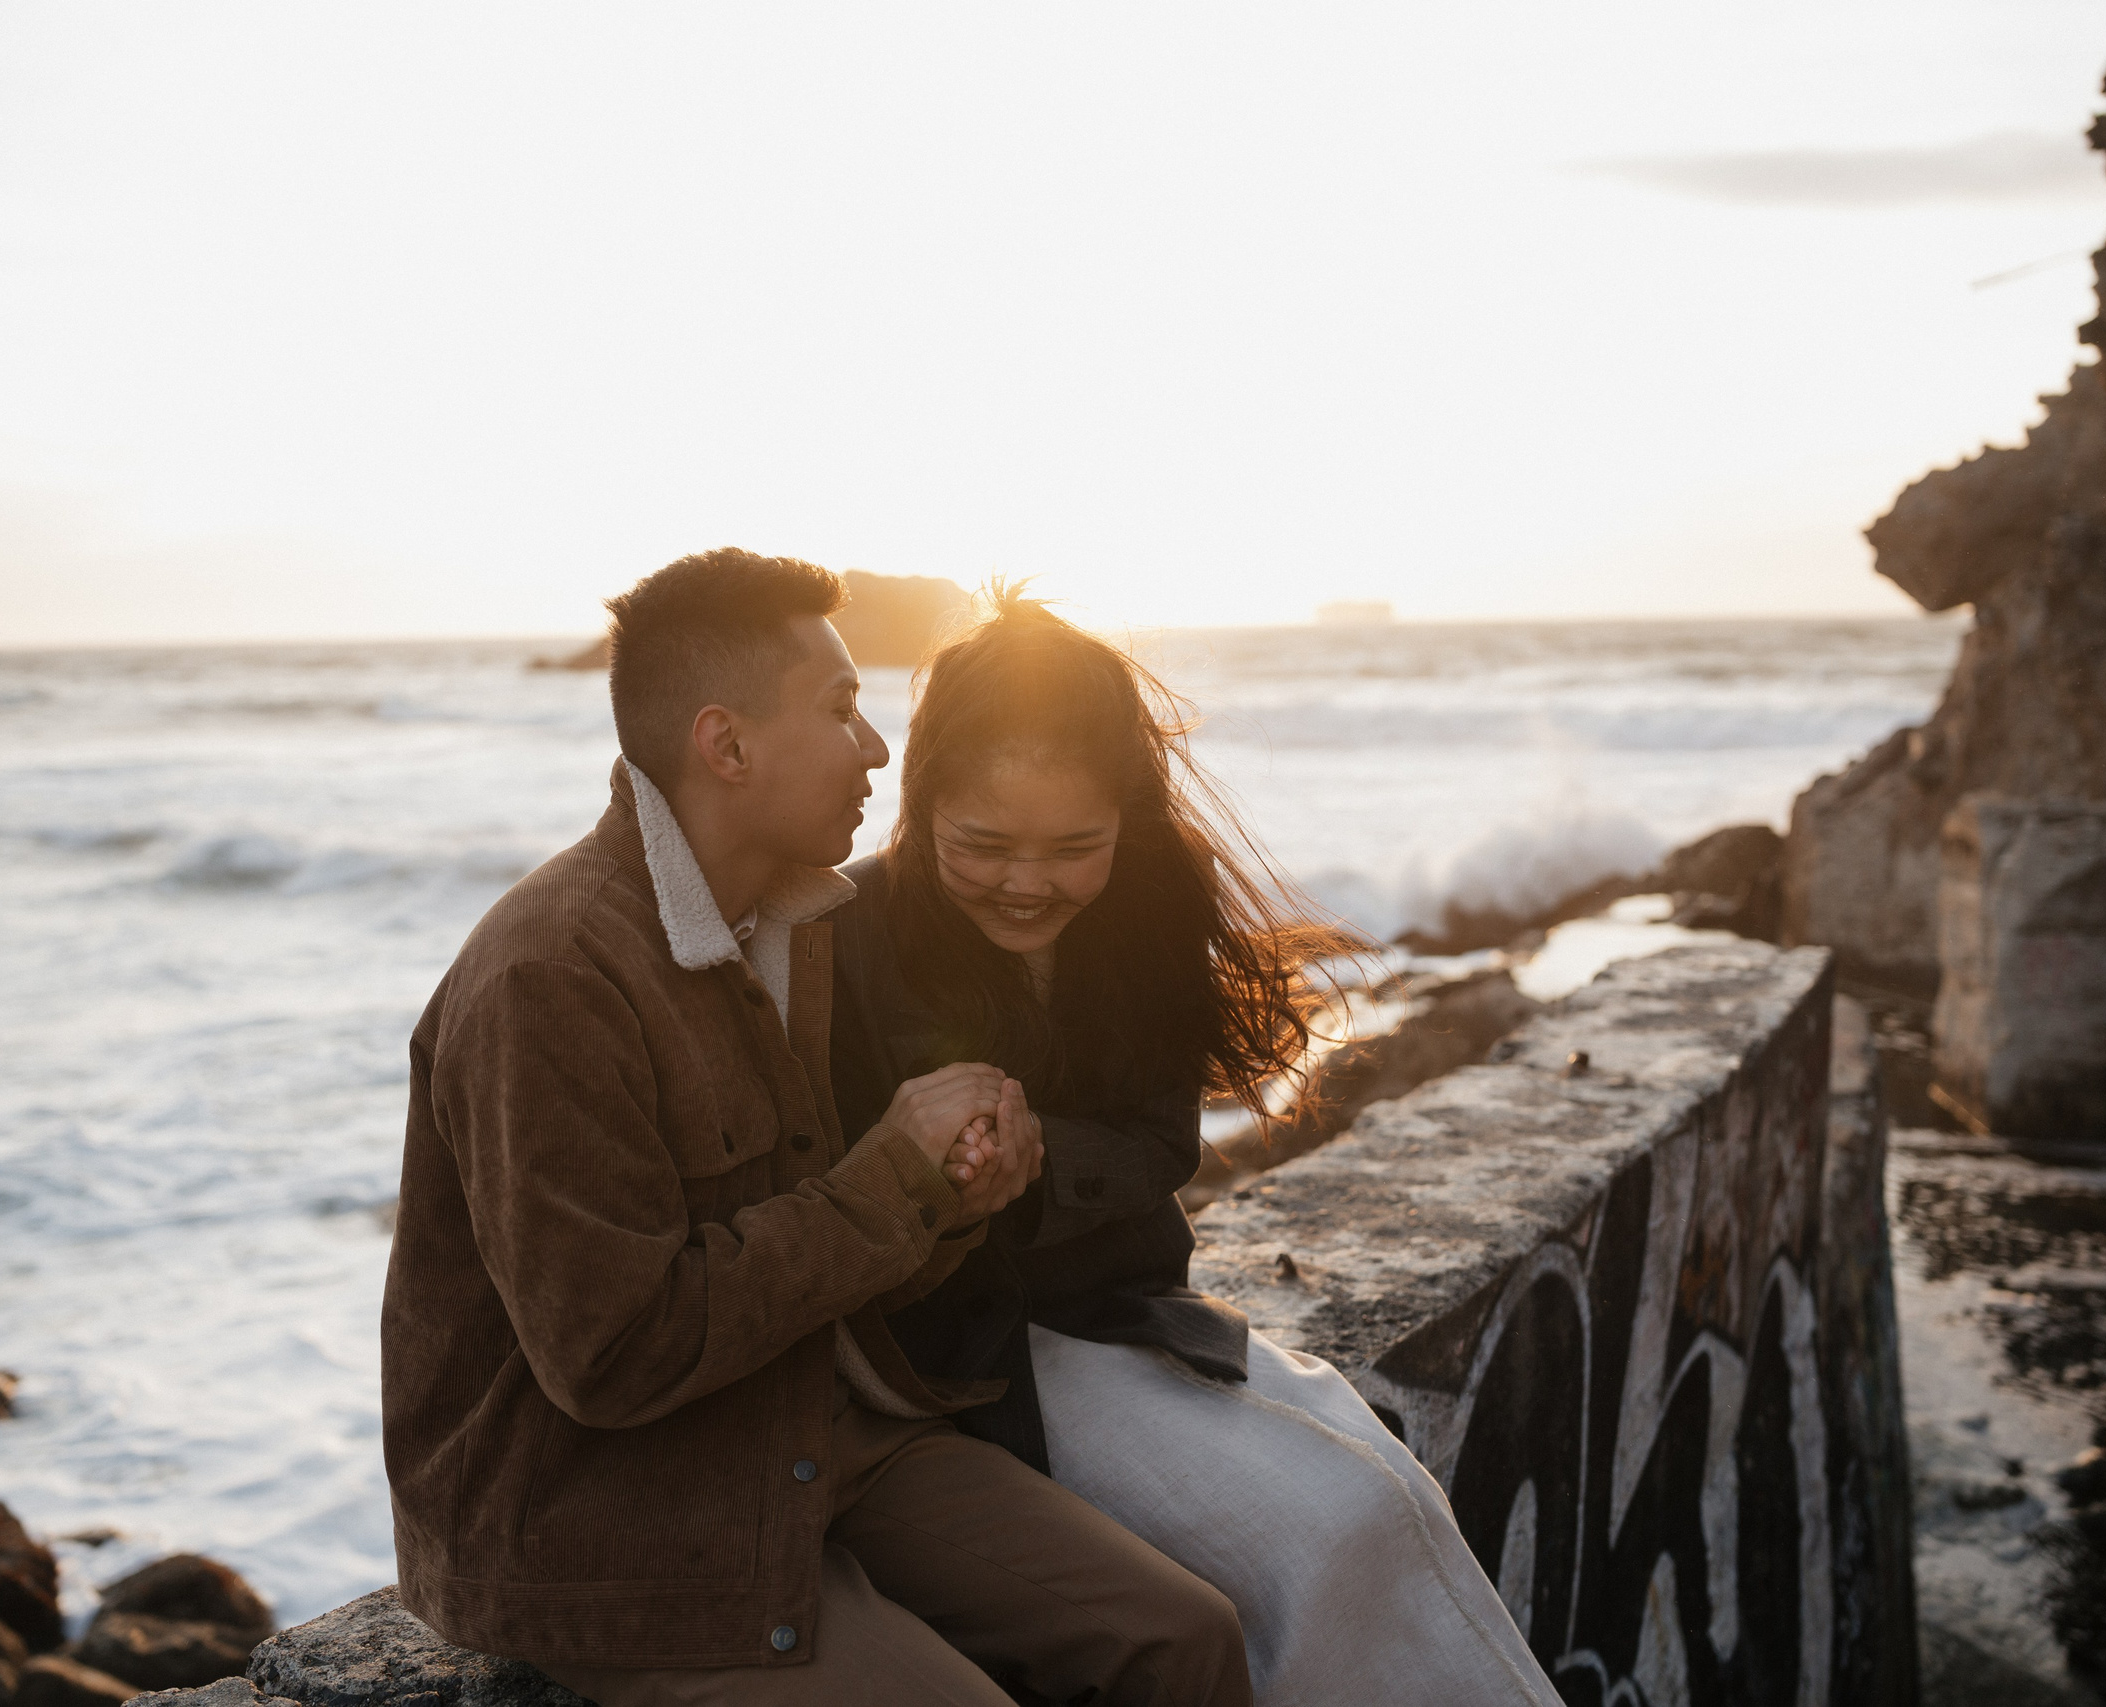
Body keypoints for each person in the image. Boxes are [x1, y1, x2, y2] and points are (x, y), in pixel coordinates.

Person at [379, 549, 1254, 1707]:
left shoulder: (793, 926)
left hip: (808, 1427)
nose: (880, 750)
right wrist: (894, 1186)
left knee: (1182, 1639)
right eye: (842, 710)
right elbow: (610, 1355)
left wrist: (955, 1193)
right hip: (606, 1511)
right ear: (727, 746)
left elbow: (836, 1257)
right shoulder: (553, 976)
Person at [829, 587, 1564, 1707]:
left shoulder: (1147, 914)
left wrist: (1031, 1167)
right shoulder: (844, 936)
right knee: (1317, 1536)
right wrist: (926, 1181)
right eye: (982, 845)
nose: (1028, 883)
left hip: (1127, 1313)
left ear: (1126, 815)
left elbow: (1161, 1142)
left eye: (1075, 846)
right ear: (920, 802)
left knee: (1390, 1493)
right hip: (964, 1367)